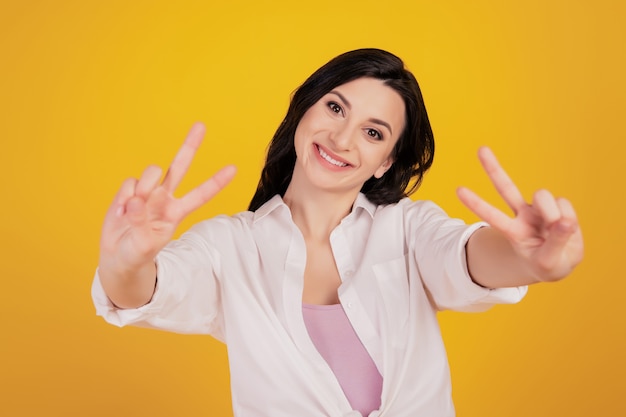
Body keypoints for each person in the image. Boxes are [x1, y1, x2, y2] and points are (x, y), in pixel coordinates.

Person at [92, 48, 584, 417]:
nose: (343, 138)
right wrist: (125, 262)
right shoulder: (230, 246)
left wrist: (529, 260)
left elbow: (466, 256)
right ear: (305, 110)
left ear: (385, 161)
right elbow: (148, 291)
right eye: (334, 108)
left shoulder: (407, 228)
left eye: (374, 132)